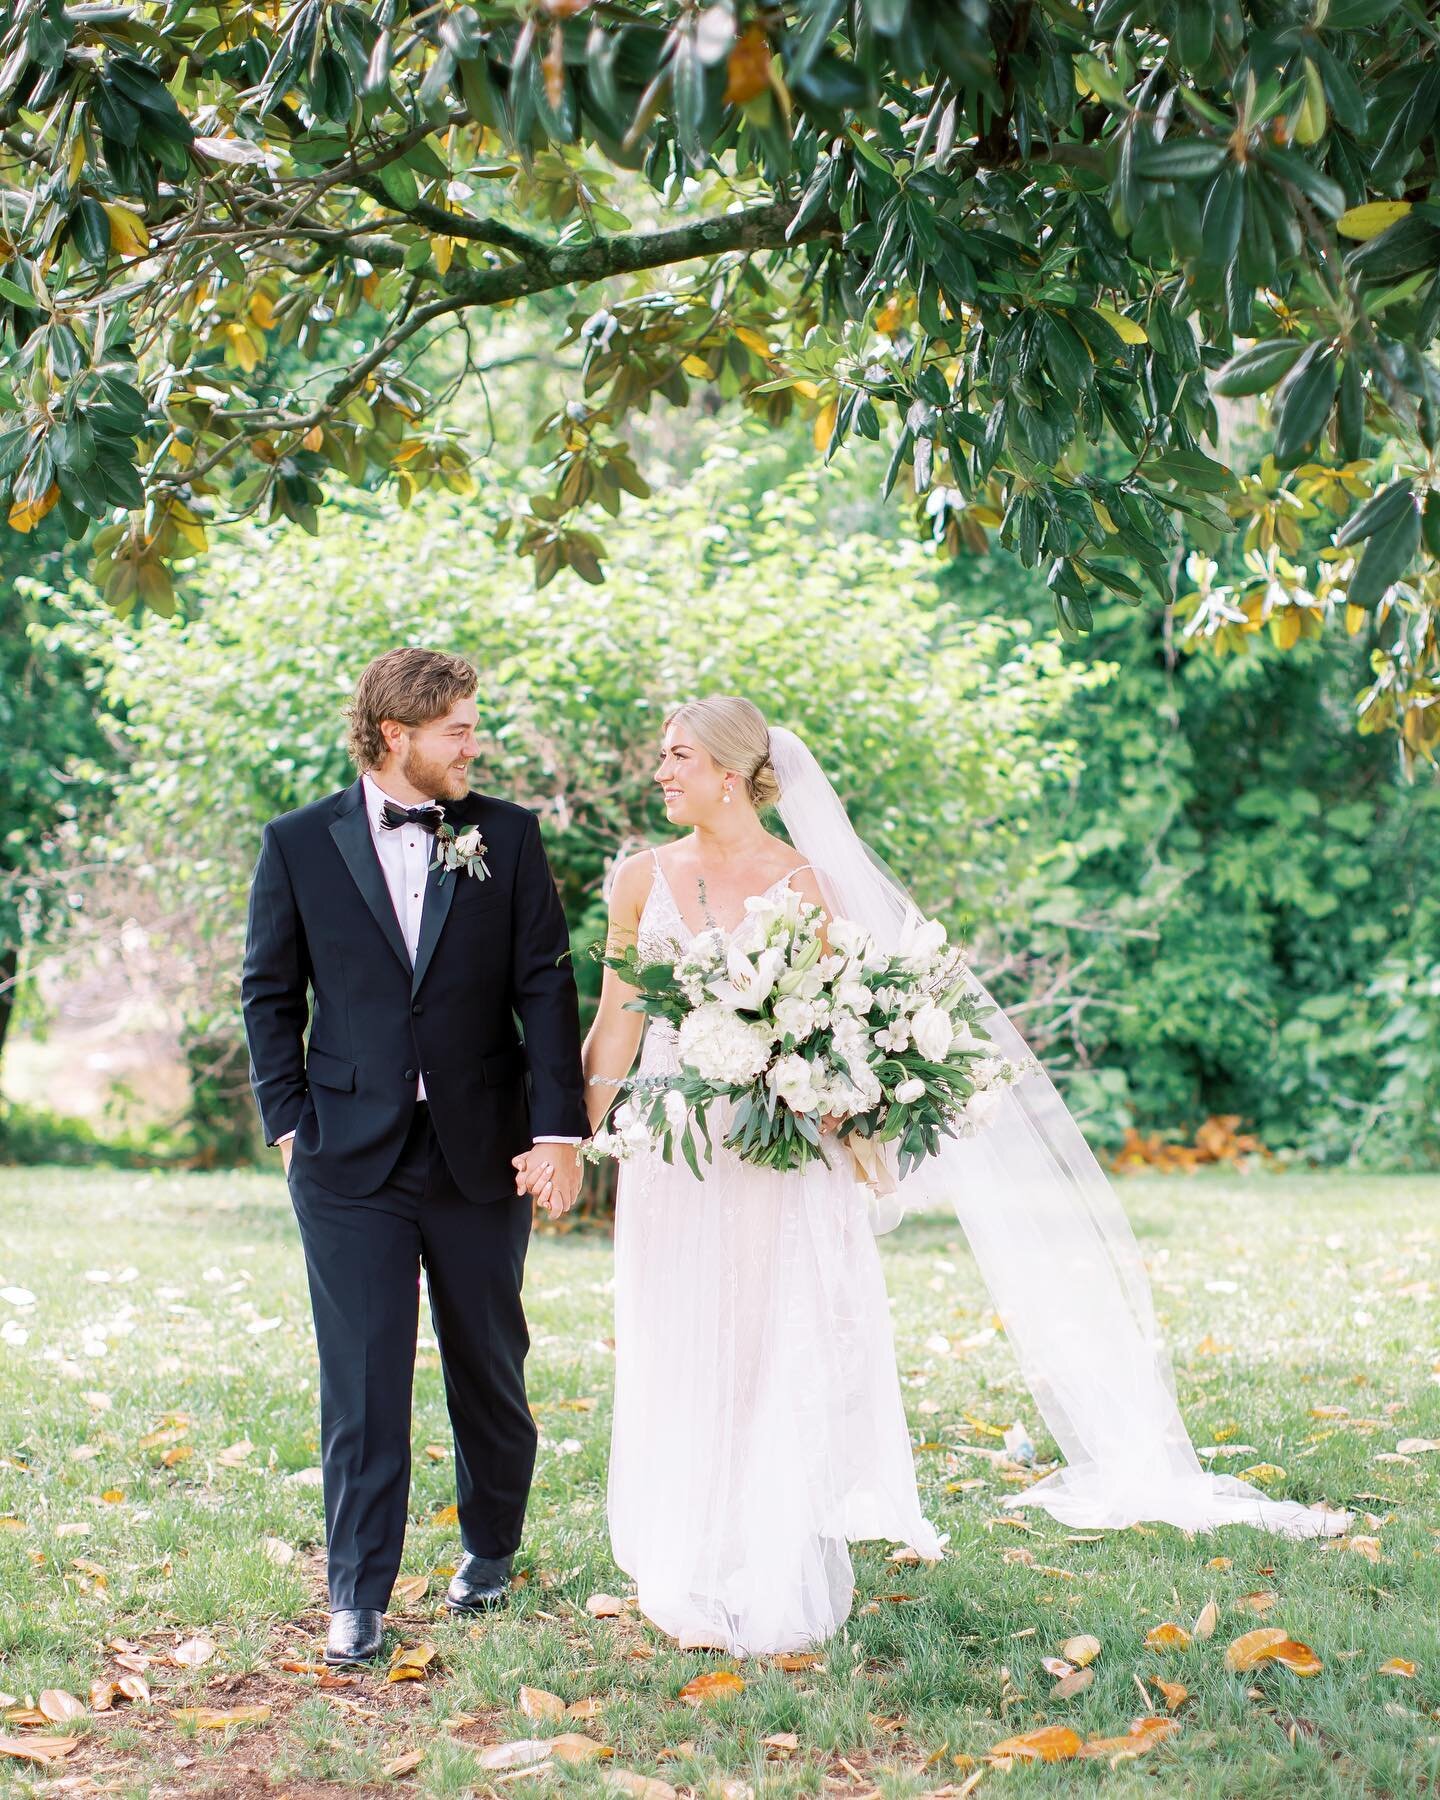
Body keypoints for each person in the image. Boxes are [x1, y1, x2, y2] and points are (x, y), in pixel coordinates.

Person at [564, 696, 1349, 1659]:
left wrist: (845, 1096)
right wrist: (566, 1135)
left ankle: (756, 1555)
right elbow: (615, 1027)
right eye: (662, 756)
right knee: (680, 1331)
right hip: (680, 1154)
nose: (661, 770)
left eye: (678, 755)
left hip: (778, 1152)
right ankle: (685, 1554)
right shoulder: (639, 879)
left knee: (771, 1341)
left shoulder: (803, 884)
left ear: (731, 771)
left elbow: (835, 1027)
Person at [241, 647, 587, 1666]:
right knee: (361, 1375)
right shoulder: (298, 843)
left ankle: (490, 1547)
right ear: (397, 734)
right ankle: (357, 1594)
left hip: (483, 1149)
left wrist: (556, 1132)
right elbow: (269, 990)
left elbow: (544, 990)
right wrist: (291, 1120)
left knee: (490, 1363)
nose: (473, 744)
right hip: (348, 1160)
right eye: (458, 730)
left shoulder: (506, 837)